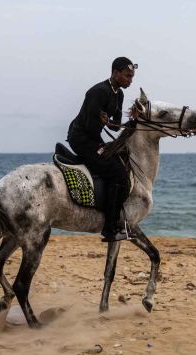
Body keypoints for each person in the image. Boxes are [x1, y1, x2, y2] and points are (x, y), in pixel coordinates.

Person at [66, 57, 136, 242]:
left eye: (132, 77)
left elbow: (114, 127)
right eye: (128, 76)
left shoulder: (119, 94)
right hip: (81, 139)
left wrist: (132, 121)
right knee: (118, 173)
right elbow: (89, 126)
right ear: (115, 73)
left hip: (94, 138)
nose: (130, 80)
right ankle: (110, 228)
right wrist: (100, 123)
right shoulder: (97, 92)